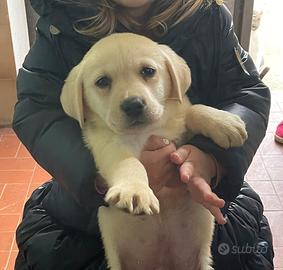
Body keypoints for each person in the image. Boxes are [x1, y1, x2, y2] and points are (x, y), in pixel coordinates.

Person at [13, 0, 274, 269]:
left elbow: (246, 95)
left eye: (147, 72)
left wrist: (214, 158)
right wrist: (100, 175)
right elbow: (36, 111)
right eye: (103, 81)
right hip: (84, 218)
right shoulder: (60, 23)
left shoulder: (209, 16)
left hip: (208, 202)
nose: (132, 99)